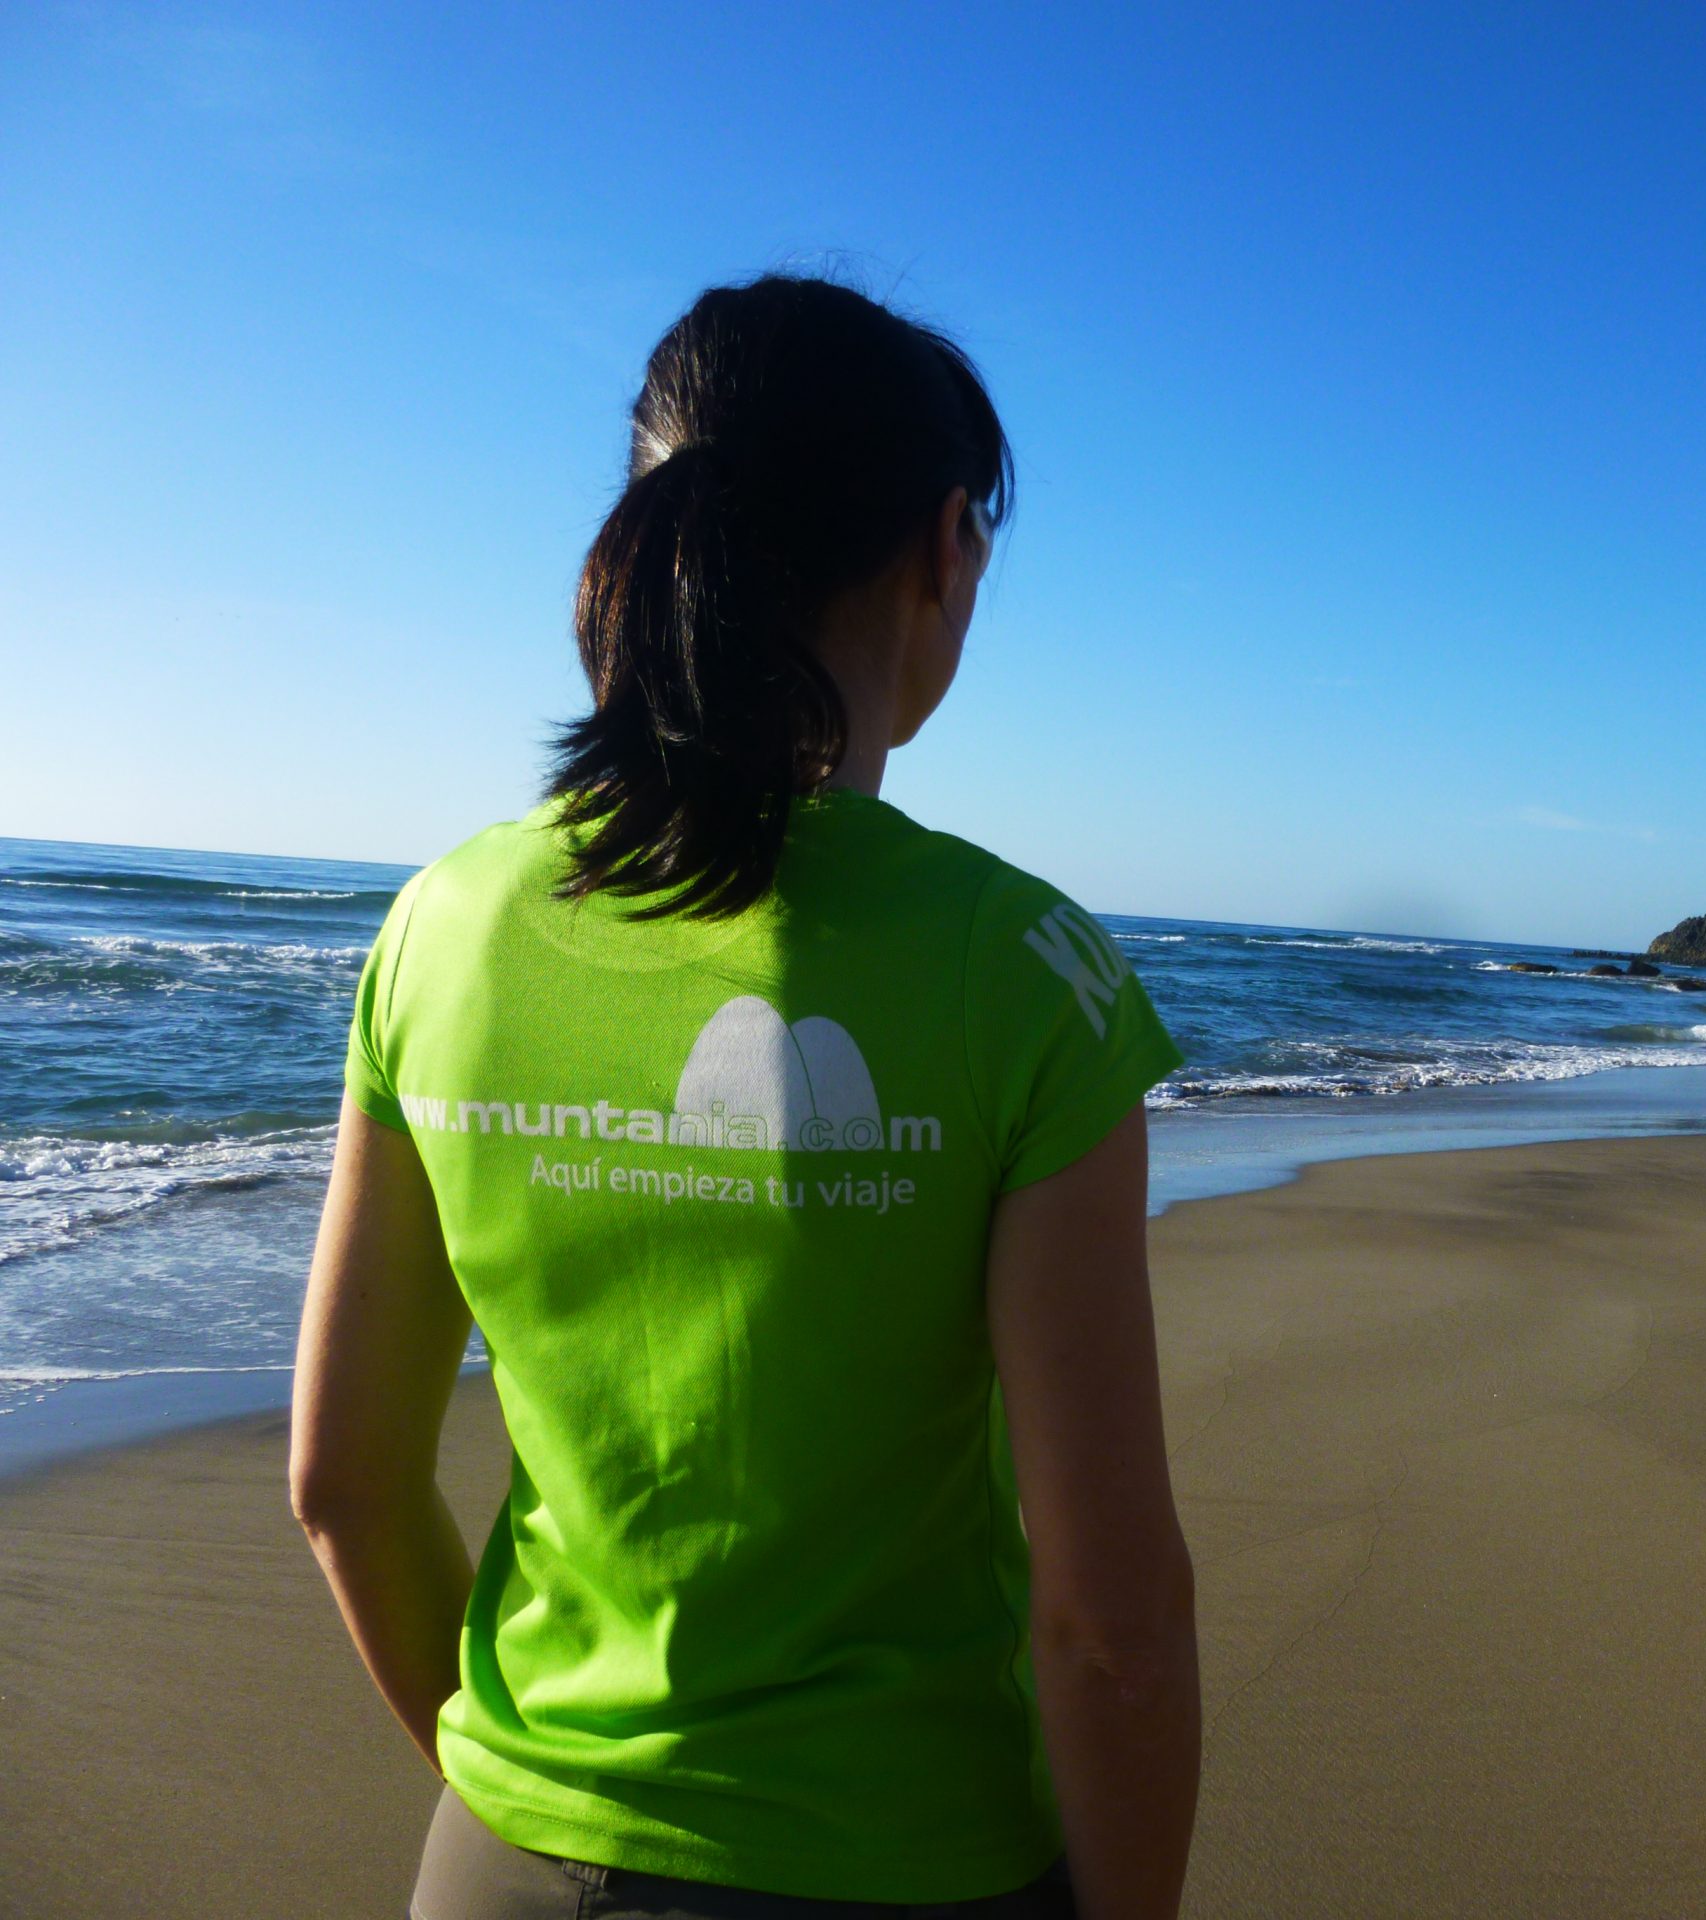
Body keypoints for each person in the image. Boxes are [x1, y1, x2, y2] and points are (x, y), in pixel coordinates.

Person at [290, 274, 1200, 1920]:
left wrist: (516, 1787)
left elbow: (345, 1483)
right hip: (903, 1862)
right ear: (948, 551)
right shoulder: (1025, 970)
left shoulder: (446, 925)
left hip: (498, 1854)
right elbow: (1105, 1620)